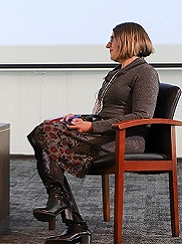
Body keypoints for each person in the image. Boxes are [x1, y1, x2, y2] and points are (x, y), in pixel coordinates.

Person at [27, 22, 159, 244]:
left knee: (46, 136)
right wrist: (82, 119)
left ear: (127, 41)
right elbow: (104, 112)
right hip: (103, 132)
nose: (108, 45)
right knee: (43, 131)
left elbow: (142, 116)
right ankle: (71, 219)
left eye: (112, 39)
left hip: (125, 138)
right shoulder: (117, 73)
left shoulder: (145, 73)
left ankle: (72, 219)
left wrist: (92, 127)